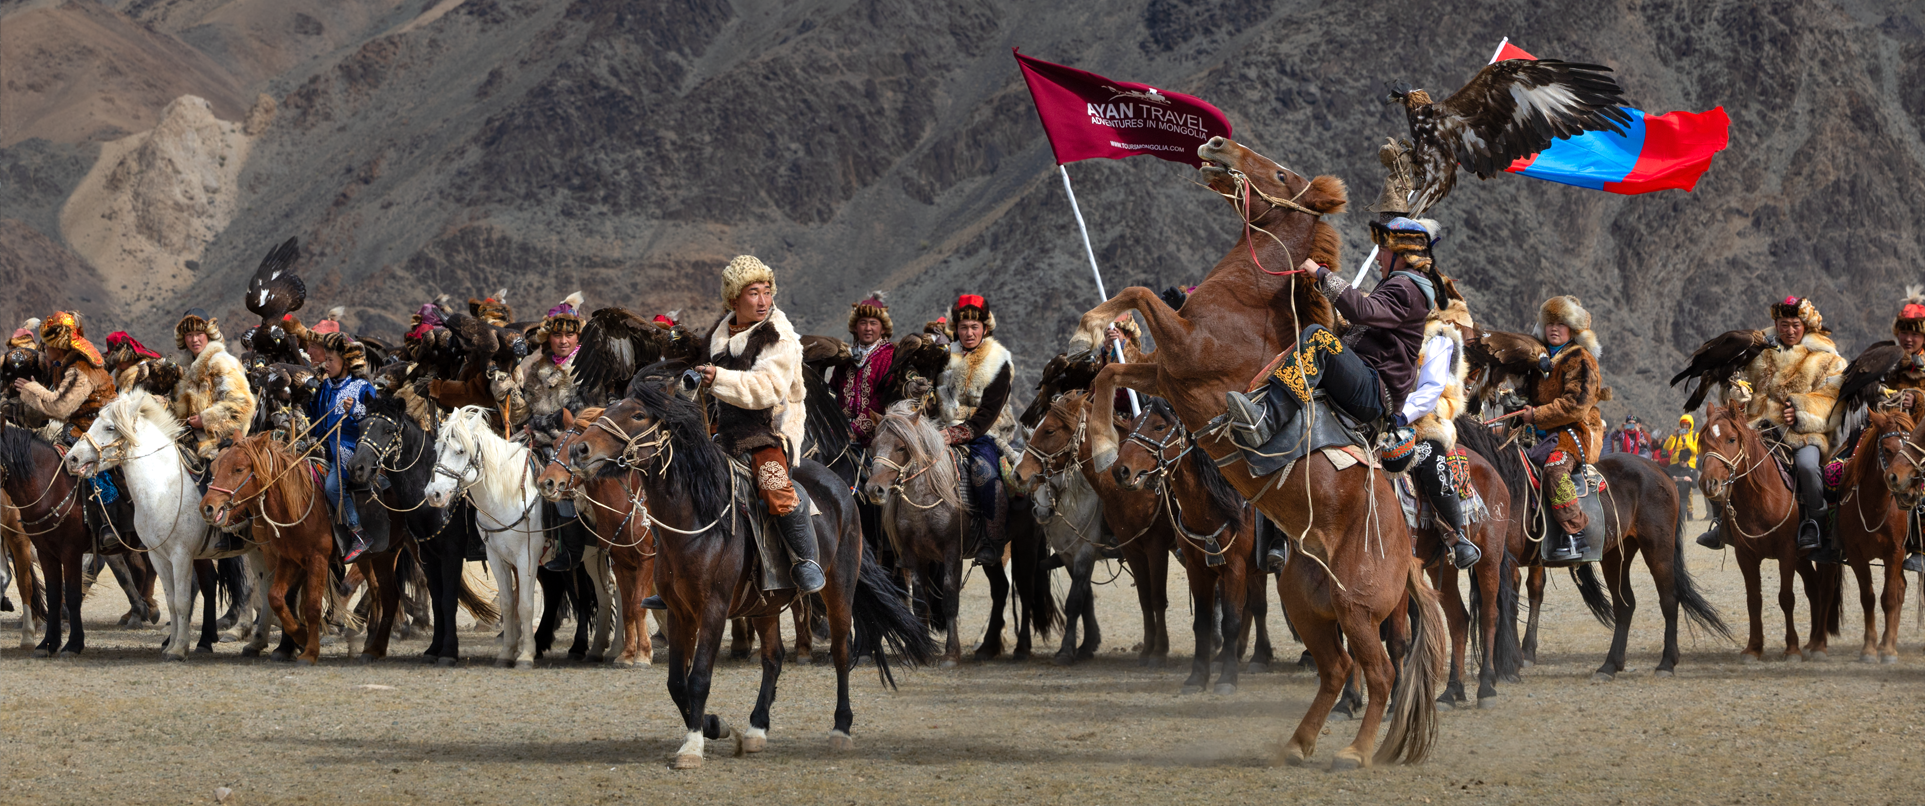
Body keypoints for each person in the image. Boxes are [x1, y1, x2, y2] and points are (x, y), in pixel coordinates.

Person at [647, 255, 822, 612]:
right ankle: (670, 575)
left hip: (768, 432)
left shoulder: (778, 336)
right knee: (673, 485)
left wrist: (719, 379)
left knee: (775, 486)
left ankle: (805, 562)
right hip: (723, 435)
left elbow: (769, 389)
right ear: (733, 300)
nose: (763, 301)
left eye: (767, 292)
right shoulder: (719, 334)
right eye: (753, 293)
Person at [1697, 297, 1846, 562]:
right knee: (1718, 457)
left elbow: (1833, 398)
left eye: (1795, 325)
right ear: (1775, 324)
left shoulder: (1826, 359)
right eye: (1783, 324)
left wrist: (1801, 411)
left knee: (1809, 467)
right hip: (1757, 429)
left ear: (1806, 326)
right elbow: (1735, 381)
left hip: (1802, 434)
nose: (1789, 330)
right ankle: (1721, 523)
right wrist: (1737, 393)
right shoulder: (1757, 350)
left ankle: (1816, 525)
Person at [1378, 287, 1482, 570]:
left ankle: (1456, 536)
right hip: (1376, 417)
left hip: (1424, 421)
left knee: (1430, 459)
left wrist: (1396, 414)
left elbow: (1429, 393)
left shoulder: (1438, 338)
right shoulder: (1381, 328)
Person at [12, 312, 128, 551]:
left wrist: (31, 389)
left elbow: (61, 406)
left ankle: (109, 521)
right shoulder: (61, 364)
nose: (43, 348)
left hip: (99, 425)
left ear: (59, 346)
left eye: (47, 344)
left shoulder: (80, 368)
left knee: (86, 454)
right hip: (78, 422)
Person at [1517, 296, 1606, 564]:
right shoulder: (1539, 360)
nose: (1554, 328)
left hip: (1576, 431)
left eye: (1561, 323)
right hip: (1541, 432)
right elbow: (1527, 396)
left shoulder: (1581, 358)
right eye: (1549, 323)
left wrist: (1536, 414)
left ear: (1573, 328)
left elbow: (1576, 406)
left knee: (1555, 470)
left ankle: (1576, 533)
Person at [933, 295, 1017, 568]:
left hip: (983, 433)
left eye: (974, 327)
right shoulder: (944, 357)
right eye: (963, 327)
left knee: (985, 474)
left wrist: (956, 435)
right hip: (939, 427)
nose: (969, 333)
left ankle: (992, 541)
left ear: (985, 328)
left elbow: (989, 413)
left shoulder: (999, 361)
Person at [516, 293, 590, 573]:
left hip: (579, 442)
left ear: (577, 338)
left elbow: (593, 409)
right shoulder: (536, 370)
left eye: (569, 336)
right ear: (548, 338)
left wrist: (567, 423)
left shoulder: (588, 367)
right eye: (557, 336)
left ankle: (572, 551)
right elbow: (530, 411)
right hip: (540, 439)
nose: (563, 341)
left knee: (563, 483)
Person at [305, 332, 378, 562]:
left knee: (333, 488)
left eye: (330, 360)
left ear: (345, 363)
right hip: (323, 446)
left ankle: (358, 532)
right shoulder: (326, 386)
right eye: (325, 359)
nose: (325, 365)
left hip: (351, 449)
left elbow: (375, 419)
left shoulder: (362, 387)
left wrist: (355, 409)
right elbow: (317, 417)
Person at [170, 309, 256, 464]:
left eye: (199, 333)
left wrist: (205, 419)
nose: (194, 339)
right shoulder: (186, 367)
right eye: (189, 335)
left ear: (208, 334)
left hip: (223, 445)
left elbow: (243, 405)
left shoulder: (222, 362)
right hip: (191, 441)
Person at [830, 293, 896, 446]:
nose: (868, 328)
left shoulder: (890, 357)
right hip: (840, 434)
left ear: (883, 328)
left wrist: (855, 430)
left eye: (873, 323)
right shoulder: (845, 357)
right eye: (863, 323)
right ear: (855, 327)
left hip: (877, 438)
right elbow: (833, 390)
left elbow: (883, 399)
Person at [1662, 414, 1700, 520]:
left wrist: (1686, 442)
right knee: (1673, 487)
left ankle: (1689, 513)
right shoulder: (1677, 435)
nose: (1684, 427)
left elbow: (1696, 451)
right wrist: (1673, 436)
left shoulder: (1695, 435)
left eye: (1687, 424)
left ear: (1690, 425)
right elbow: (1666, 447)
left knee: (1688, 490)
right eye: (1683, 424)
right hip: (1675, 464)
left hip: (1689, 465)